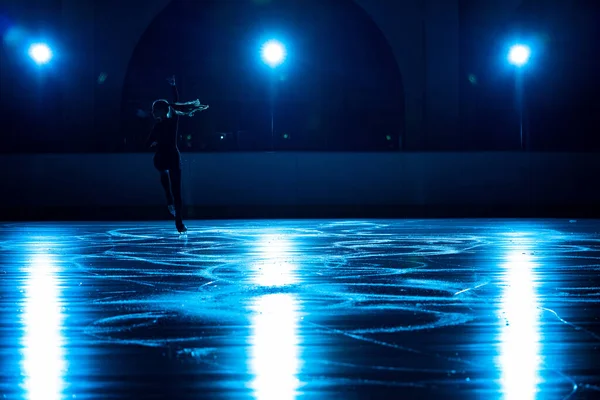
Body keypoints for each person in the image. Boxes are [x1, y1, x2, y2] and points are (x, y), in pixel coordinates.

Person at [146, 76, 209, 233]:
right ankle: (170, 201)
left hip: (171, 156)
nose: (153, 112)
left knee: (176, 190)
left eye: (155, 110)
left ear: (162, 110)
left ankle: (178, 221)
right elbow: (146, 143)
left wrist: (174, 86)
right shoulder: (157, 126)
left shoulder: (171, 122)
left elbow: (175, 101)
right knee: (169, 182)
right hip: (163, 157)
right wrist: (154, 143)